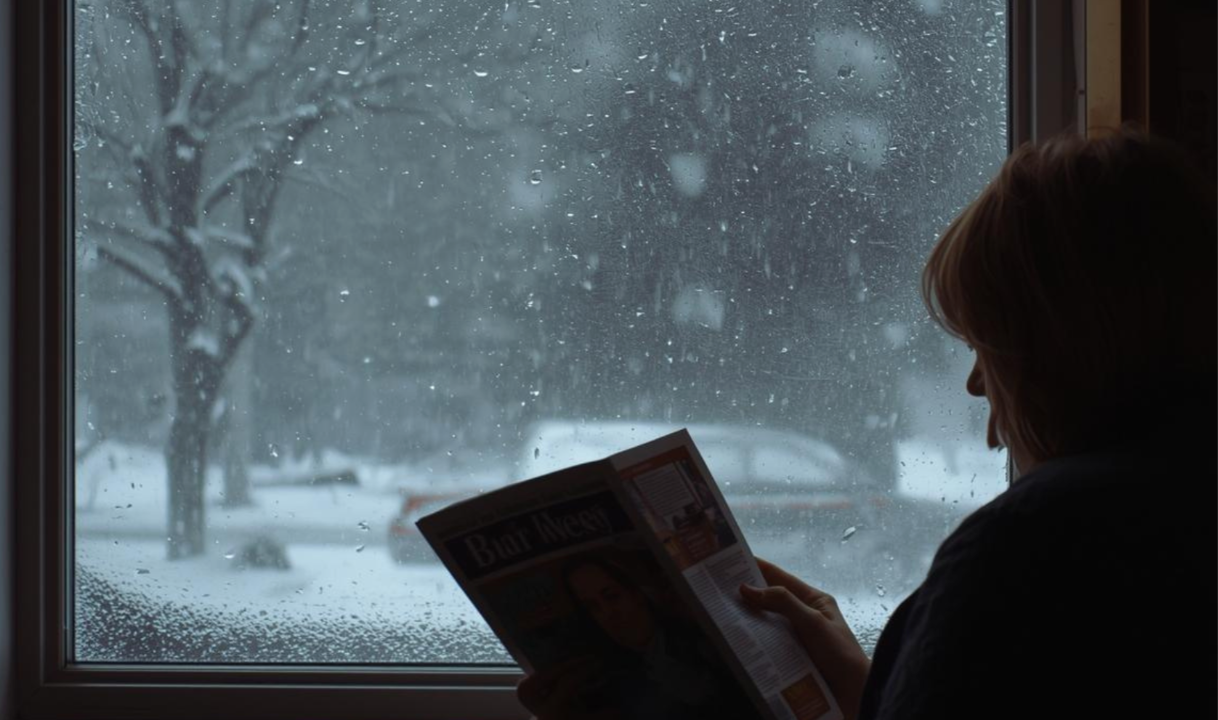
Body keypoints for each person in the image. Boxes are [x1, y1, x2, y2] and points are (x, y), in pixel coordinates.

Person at [521, 129, 1217, 719]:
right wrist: (866, 686)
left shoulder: (1035, 546)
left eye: (987, 348)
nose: (978, 386)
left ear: (1058, 351)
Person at [520, 557, 756, 720]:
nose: (608, 615)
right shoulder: (608, 675)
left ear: (637, 594)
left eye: (612, 597)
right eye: (593, 607)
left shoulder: (700, 644)